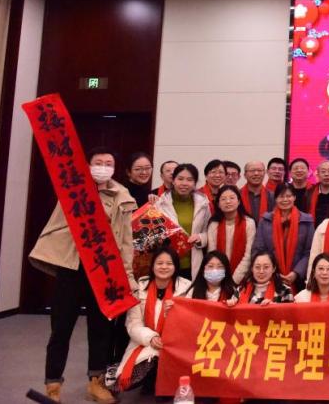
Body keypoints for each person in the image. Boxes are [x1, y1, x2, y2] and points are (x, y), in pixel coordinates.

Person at [31, 147, 137, 404]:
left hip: (105, 272)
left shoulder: (123, 196)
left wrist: (128, 276)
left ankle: (95, 382)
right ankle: (53, 385)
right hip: (72, 267)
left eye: (109, 163)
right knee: (61, 328)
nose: (103, 167)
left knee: (100, 328)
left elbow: (126, 241)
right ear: (88, 166)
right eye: (98, 162)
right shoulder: (73, 190)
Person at [114, 246, 191, 394]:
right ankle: (152, 378)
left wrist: (174, 314)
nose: (164, 267)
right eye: (159, 263)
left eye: (169, 263)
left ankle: (164, 381)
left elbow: (189, 323)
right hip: (145, 341)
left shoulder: (187, 288)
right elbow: (133, 324)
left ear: (176, 266)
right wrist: (151, 337)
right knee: (130, 377)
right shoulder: (139, 288)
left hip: (174, 343)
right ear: (153, 265)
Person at [251, 183, 314, 289]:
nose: (285, 199)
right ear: (275, 199)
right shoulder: (265, 220)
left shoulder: (306, 221)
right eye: (281, 196)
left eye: (288, 196)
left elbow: (309, 252)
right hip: (271, 276)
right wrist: (274, 272)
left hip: (299, 279)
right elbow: (259, 249)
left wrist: (296, 272)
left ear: (294, 197)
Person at [157, 163, 211, 277]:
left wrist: (201, 238)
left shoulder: (203, 203)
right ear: (173, 181)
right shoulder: (160, 203)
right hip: (166, 263)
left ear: (195, 183)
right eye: (180, 179)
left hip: (192, 263)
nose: (184, 183)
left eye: (189, 180)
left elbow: (209, 232)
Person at [206, 185, 256, 284]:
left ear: (239, 201)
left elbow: (248, 256)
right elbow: (212, 255)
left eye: (232, 198)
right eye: (223, 199)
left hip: (243, 278)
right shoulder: (214, 224)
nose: (228, 201)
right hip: (219, 277)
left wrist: (233, 280)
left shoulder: (249, 223)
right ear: (218, 204)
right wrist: (221, 279)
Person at [306, 159, 329, 227]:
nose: (326, 174)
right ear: (317, 175)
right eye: (323, 171)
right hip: (313, 231)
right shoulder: (308, 193)